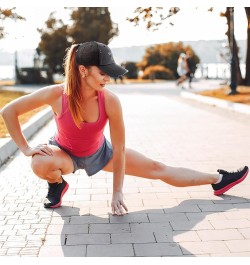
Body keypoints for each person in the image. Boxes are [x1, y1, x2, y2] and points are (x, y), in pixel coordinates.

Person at [0, 41, 248, 216]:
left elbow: (118, 148)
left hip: (102, 153)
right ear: (83, 70)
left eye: (111, 73)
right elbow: (8, 111)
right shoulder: (56, 94)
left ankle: (218, 179)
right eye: (103, 72)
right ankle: (57, 184)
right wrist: (25, 148)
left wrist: (117, 191)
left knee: (158, 169)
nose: (108, 78)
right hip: (64, 154)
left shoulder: (109, 101)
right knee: (39, 163)